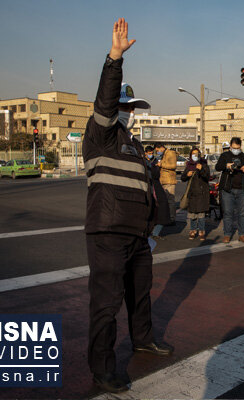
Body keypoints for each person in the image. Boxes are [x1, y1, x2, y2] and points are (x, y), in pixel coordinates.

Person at [83, 18, 172, 394]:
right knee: (106, 302)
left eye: (132, 107)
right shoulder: (101, 133)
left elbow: (147, 189)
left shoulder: (134, 145)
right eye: (124, 105)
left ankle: (143, 338)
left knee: (140, 293)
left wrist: (153, 225)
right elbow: (104, 100)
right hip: (108, 231)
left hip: (137, 235)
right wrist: (114, 58)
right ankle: (103, 369)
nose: (128, 111)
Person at [215, 137, 244, 243]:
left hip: (242, 189)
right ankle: (227, 234)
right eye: (233, 147)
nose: (235, 149)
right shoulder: (225, 156)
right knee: (228, 212)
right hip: (228, 189)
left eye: (237, 148)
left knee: (242, 214)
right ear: (230, 146)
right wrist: (226, 166)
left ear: (240, 147)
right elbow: (217, 167)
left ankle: (242, 234)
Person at [181, 148, 210, 241]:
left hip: (202, 193)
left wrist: (201, 169)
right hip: (192, 193)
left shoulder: (204, 164)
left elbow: (207, 176)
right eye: (193, 154)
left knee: (201, 214)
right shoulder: (189, 165)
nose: (194, 155)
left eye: (196, 154)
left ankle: (202, 231)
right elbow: (183, 178)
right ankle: (192, 231)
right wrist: (187, 175)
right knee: (192, 214)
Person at [144, 146, 171, 240]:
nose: (150, 154)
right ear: (145, 153)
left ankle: (156, 231)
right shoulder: (142, 162)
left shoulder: (155, 162)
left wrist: (157, 167)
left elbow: (156, 175)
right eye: (148, 153)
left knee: (163, 208)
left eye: (151, 153)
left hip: (156, 187)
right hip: (146, 187)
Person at [156, 143, 178, 223]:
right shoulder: (164, 154)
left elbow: (173, 166)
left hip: (169, 180)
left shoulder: (170, 153)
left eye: (158, 150)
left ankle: (172, 218)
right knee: (165, 200)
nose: (158, 152)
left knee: (170, 200)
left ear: (161, 147)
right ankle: (167, 217)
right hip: (164, 180)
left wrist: (161, 164)